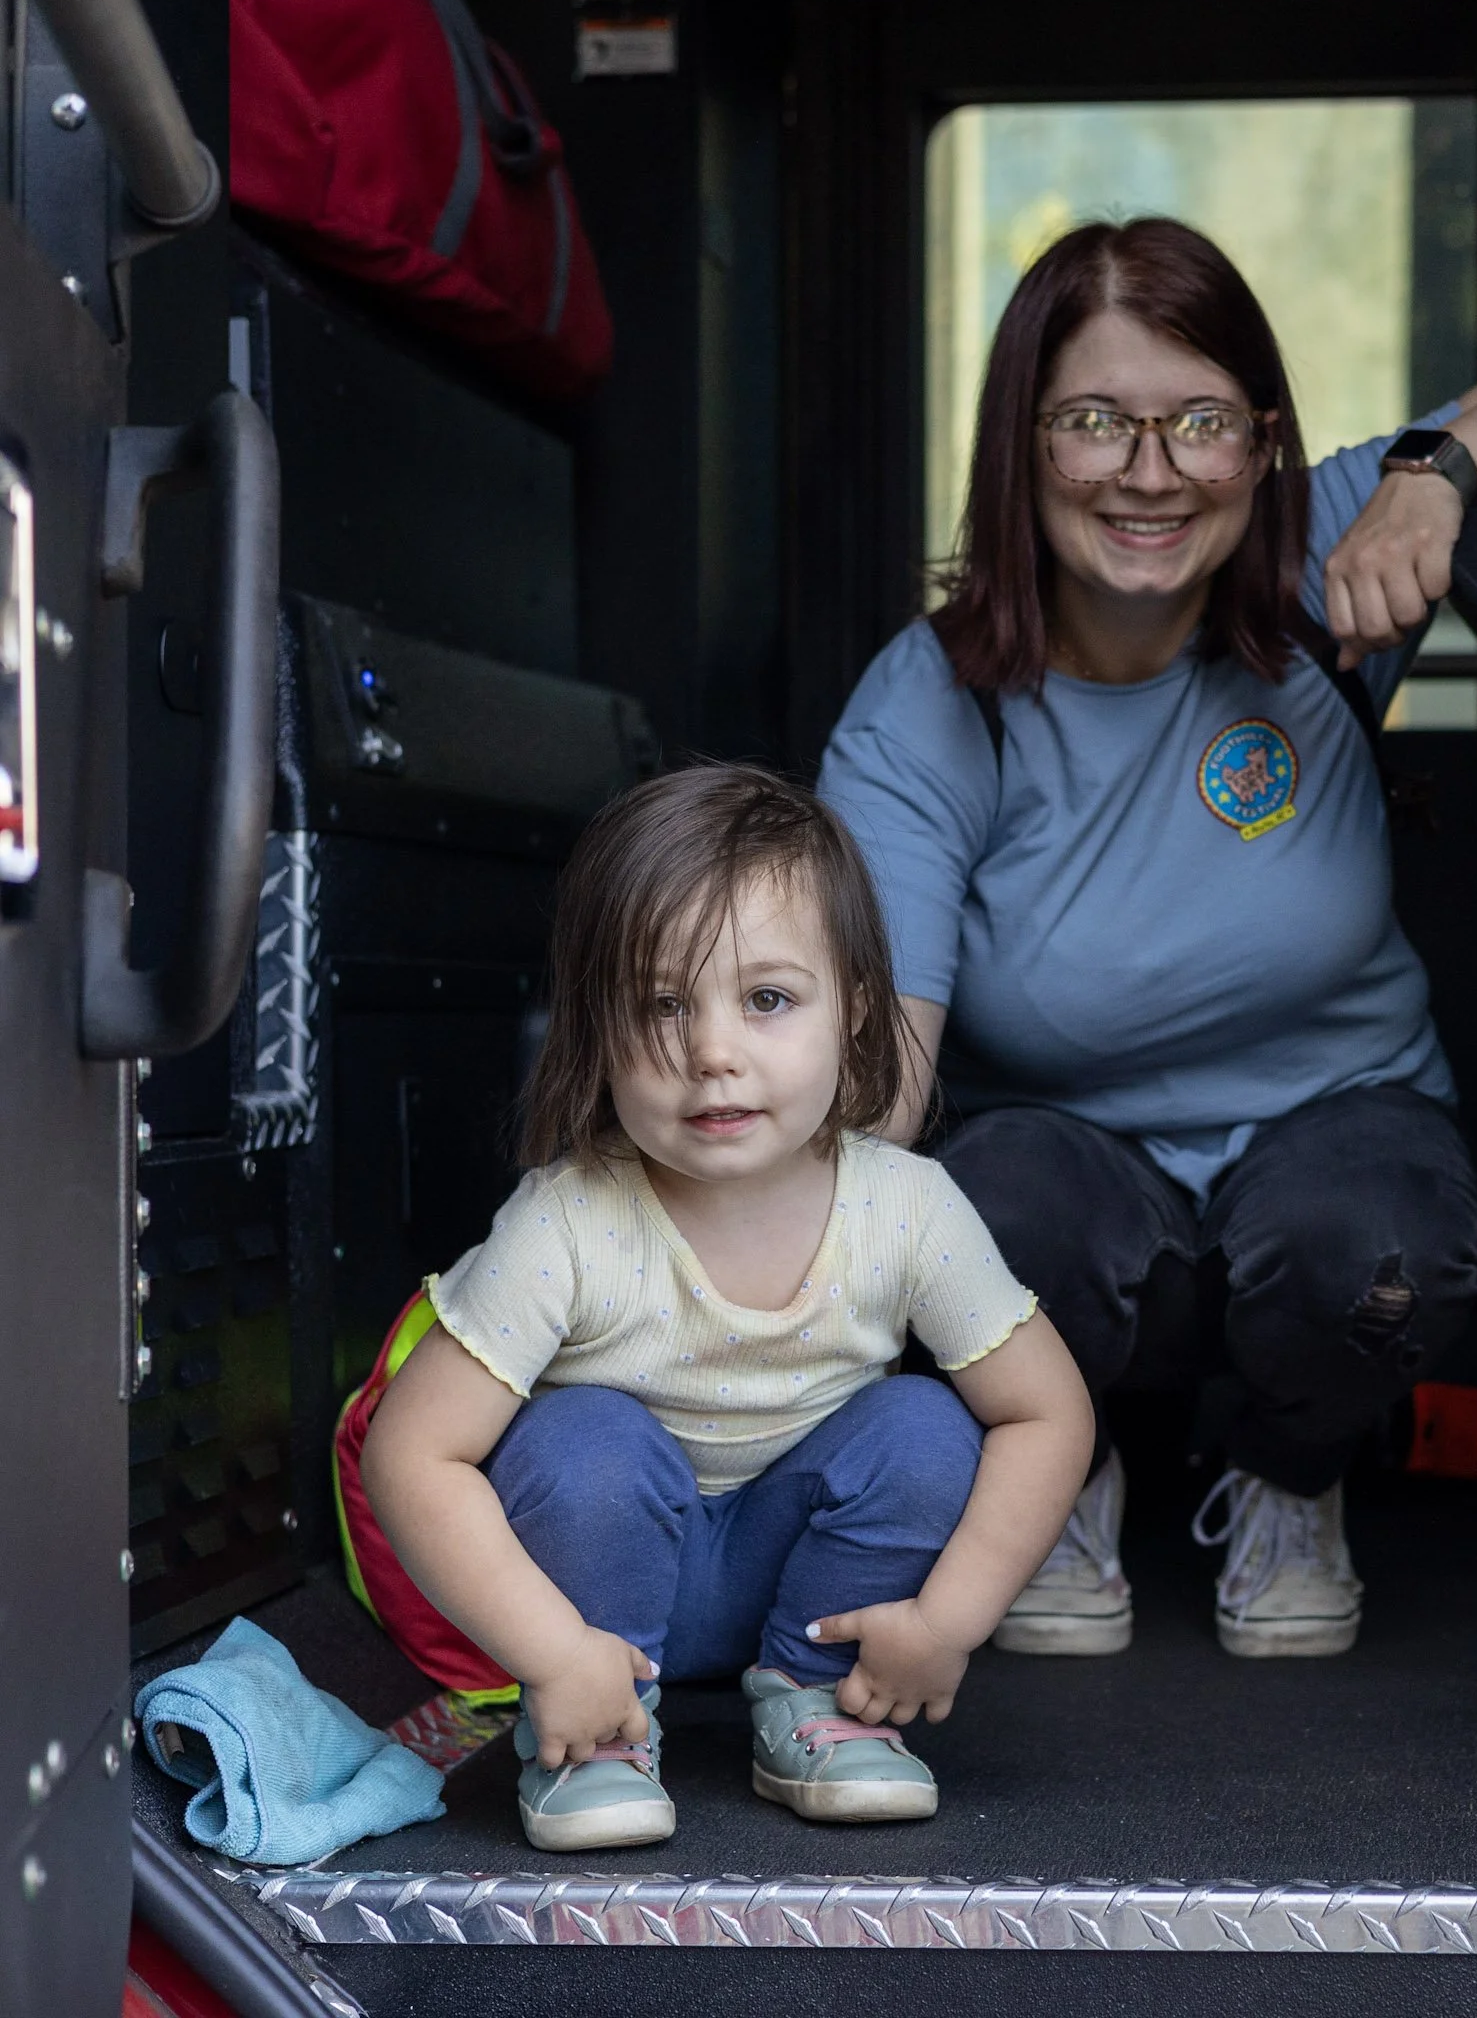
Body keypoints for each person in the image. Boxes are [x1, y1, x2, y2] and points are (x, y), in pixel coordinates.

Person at [818, 217, 1477, 1660]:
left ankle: (1292, 1478)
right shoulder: (928, 705)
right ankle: (1054, 1468)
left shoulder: (1324, 565)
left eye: (1201, 424)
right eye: (1095, 422)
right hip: (1074, 1179)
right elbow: (884, 1077)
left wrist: (1435, 475)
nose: (1150, 476)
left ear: (1264, 443)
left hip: (1338, 1128)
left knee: (1374, 1252)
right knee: (991, 1208)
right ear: (1020, 444)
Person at [359, 765, 1093, 1851]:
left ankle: (823, 1707)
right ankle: (596, 1734)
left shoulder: (906, 1208)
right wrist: (553, 1652)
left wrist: (945, 1624)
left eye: (766, 998)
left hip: (806, 1590)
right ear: (594, 1027)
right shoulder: (566, 1221)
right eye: (662, 1003)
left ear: (852, 1009)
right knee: (585, 1437)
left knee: (928, 1429)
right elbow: (409, 1455)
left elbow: (1049, 1413)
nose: (713, 1051)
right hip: (594, 1611)